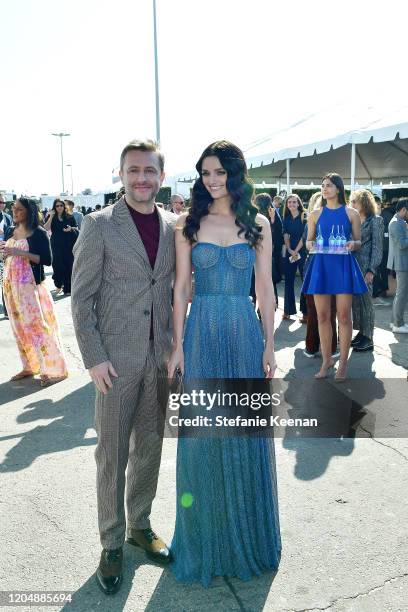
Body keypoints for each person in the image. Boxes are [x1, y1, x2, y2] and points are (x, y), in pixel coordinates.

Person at [168, 140, 281, 587]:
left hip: (242, 332)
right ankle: (204, 541)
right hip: (200, 335)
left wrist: (270, 344)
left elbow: (267, 289)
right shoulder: (187, 224)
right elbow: (180, 289)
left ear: (235, 174)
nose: (211, 180)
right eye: (205, 173)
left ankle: (245, 538)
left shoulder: (257, 223)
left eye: (219, 172)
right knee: (203, 439)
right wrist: (177, 346)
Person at [71, 139, 177, 596]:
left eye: (149, 171)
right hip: (114, 363)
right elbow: (82, 298)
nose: (141, 179)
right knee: (112, 456)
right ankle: (111, 543)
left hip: (159, 362)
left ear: (161, 176)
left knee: (150, 450)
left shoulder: (175, 226)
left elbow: (174, 289)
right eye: (133, 171)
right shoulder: (98, 225)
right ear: (121, 175)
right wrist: (94, 357)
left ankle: (140, 524)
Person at [302, 173, 367, 380]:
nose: (325, 188)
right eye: (323, 186)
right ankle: (327, 361)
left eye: (329, 185)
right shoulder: (314, 214)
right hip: (321, 266)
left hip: (342, 266)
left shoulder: (352, 213)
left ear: (338, 189)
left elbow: (358, 242)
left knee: (344, 316)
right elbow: (308, 241)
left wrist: (352, 244)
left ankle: (343, 365)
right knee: (321, 316)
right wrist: (309, 244)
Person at [0, 197, 68, 386]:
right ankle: (30, 365)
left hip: (31, 288)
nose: (15, 212)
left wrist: (19, 253)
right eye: (14, 208)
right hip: (11, 287)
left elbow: (47, 260)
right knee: (19, 328)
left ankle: (55, 369)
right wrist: (3, 252)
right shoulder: (9, 230)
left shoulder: (37, 232)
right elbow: (7, 256)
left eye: (19, 209)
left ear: (29, 211)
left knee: (39, 328)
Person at [302, 192, 338, 358]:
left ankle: (314, 347)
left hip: (317, 268)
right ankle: (325, 348)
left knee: (318, 311)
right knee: (326, 311)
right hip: (320, 269)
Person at [349, 190, 383, 351]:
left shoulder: (375, 220)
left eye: (355, 201)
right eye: (352, 201)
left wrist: (371, 270)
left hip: (366, 268)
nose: (352, 204)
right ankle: (362, 333)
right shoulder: (353, 220)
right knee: (356, 302)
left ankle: (368, 337)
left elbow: (377, 248)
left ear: (365, 203)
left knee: (367, 302)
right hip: (352, 266)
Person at [44, 199, 78, 295]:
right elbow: (46, 228)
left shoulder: (70, 217)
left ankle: (67, 288)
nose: (59, 207)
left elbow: (76, 228)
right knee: (57, 265)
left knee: (68, 266)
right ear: (54, 207)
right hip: (56, 245)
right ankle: (58, 285)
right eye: (57, 206)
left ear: (64, 206)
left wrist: (71, 229)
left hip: (68, 244)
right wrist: (50, 216)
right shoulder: (52, 217)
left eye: (61, 205)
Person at [282, 194, 307, 322]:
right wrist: (289, 249)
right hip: (290, 251)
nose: (291, 204)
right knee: (289, 281)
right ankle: (287, 310)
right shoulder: (285, 218)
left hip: (302, 250)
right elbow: (285, 235)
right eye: (289, 202)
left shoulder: (304, 217)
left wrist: (296, 250)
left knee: (304, 280)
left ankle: (305, 313)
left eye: (294, 202)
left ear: (298, 204)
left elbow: (305, 235)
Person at [254, 192, 281, 306]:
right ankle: (266, 308)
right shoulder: (255, 215)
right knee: (266, 282)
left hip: (263, 253)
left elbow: (277, 235)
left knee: (260, 281)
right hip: (264, 253)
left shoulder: (271, 215)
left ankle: (260, 307)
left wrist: (273, 219)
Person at [387, 198, 408, 333]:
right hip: (402, 263)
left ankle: (394, 321)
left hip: (401, 262)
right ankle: (398, 324)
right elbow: (402, 244)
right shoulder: (396, 223)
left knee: (400, 294)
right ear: (404, 210)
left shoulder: (399, 222)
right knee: (401, 294)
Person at [373, 200, 394, 303]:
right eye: (375, 204)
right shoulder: (371, 216)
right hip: (375, 249)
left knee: (384, 270)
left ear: (381, 205)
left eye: (378, 204)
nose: (376, 206)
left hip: (385, 248)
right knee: (375, 270)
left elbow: (390, 230)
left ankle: (384, 289)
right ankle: (376, 290)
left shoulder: (387, 215)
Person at [0, 193, 12, 317]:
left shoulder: (8, 217)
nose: (2, 205)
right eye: (0, 202)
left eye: (3, 202)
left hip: (4, 253)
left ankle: (7, 311)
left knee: (5, 281)